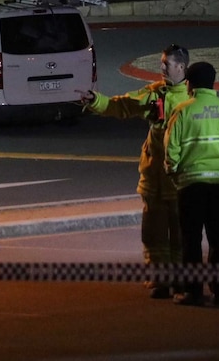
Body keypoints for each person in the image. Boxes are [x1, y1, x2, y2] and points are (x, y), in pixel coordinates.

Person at [81, 43, 190, 298]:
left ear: (182, 67)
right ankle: (159, 279)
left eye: (167, 63)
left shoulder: (193, 99)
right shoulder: (155, 94)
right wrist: (96, 101)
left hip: (181, 180)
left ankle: (182, 280)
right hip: (154, 178)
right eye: (162, 62)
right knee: (153, 233)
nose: (161, 67)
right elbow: (124, 105)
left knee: (182, 235)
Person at [164, 61, 219, 306]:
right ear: (213, 83)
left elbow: (171, 152)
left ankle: (193, 291)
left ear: (189, 84)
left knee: (191, 240)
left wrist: (175, 175)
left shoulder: (183, 111)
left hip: (190, 185)